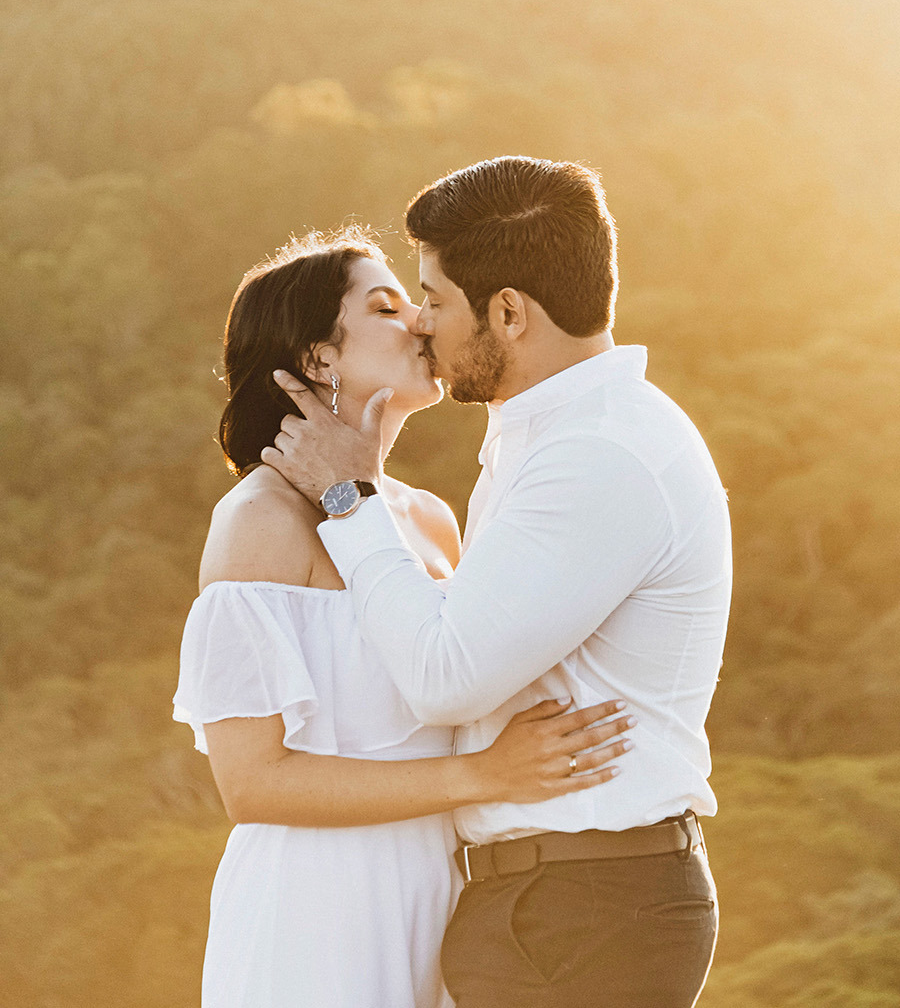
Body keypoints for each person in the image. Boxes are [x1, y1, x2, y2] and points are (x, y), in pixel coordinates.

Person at [262, 156, 733, 1008]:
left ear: (509, 313)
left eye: (435, 300)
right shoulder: (554, 435)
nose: (421, 325)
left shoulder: (596, 454)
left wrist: (347, 497)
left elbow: (447, 678)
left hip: (582, 908)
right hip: (560, 900)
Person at [173, 227, 634, 1008]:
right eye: (388, 306)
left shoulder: (428, 519)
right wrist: (482, 776)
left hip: (439, 898)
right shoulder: (260, 521)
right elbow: (250, 783)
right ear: (319, 359)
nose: (422, 322)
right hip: (314, 911)